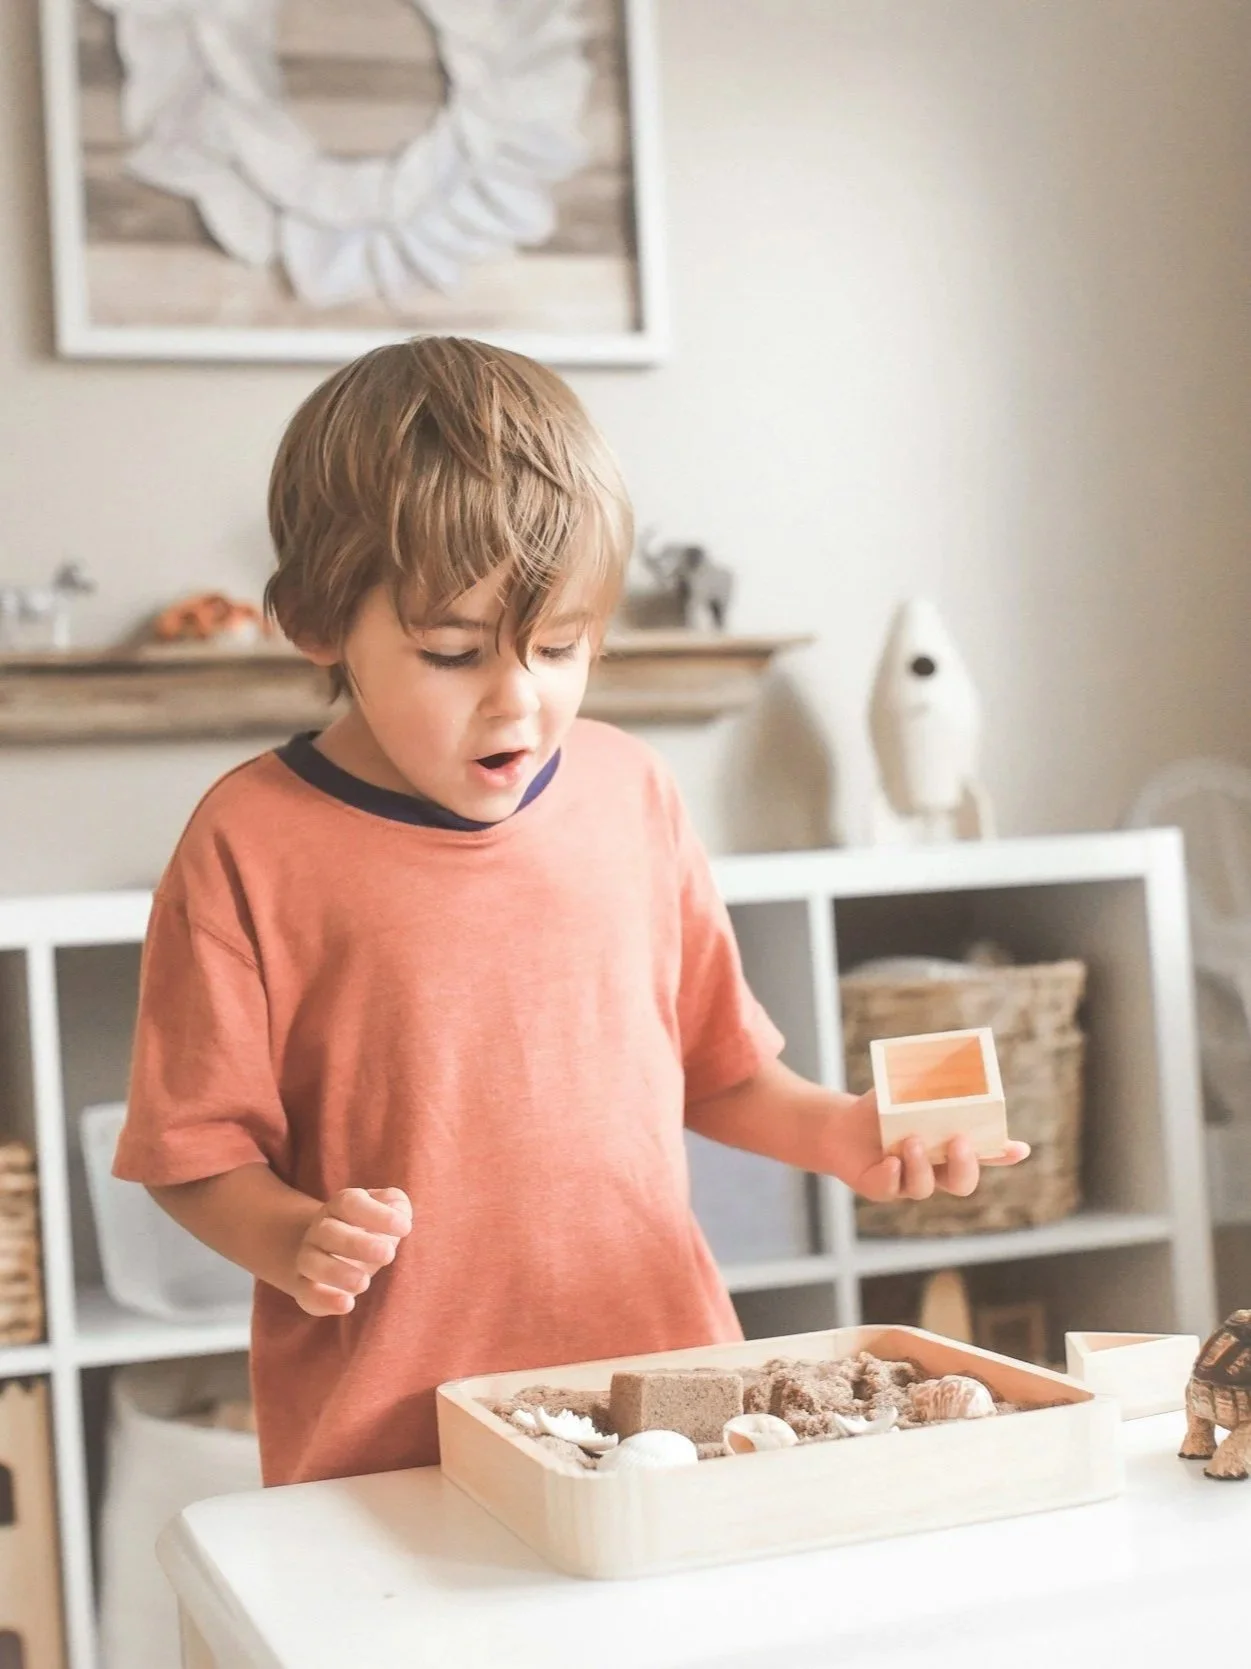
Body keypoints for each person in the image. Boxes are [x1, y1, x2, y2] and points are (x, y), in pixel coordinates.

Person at [114, 337, 1028, 1487]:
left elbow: (718, 1068)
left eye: (560, 647)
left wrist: (845, 1135)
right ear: (316, 622)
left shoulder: (631, 791)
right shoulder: (247, 841)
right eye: (451, 652)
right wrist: (292, 1239)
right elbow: (189, 1151)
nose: (519, 698)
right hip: (395, 1439)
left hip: (666, 1400)